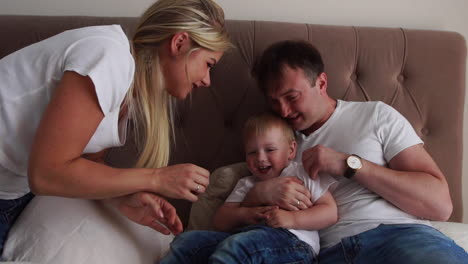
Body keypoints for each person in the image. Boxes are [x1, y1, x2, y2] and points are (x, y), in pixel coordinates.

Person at [0, 0, 231, 254]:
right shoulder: (107, 57)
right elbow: (46, 174)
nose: (207, 80)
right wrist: (156, 178)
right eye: (208, 64)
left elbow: (82, 164)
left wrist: (122, 198)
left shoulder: (128, 93)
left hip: (12, 192)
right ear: (179, 43)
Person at [244, 40, 468, 263]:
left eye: (292, 97)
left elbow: (440, 206)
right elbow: (244, 209)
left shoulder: (375, 116)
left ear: (321, 83)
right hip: (329, 252)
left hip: (401, 237)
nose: (283, 110)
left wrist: (350, 164)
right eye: (274, 102)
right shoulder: (272, 141)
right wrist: (261, 193)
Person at [159, 112, 338, 264]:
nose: (260, 158)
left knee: (236, 247)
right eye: (252, 152)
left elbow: (329, 212)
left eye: (270, 150)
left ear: (291, 150)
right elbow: (220, 221)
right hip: (242, 239)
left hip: (293, 243)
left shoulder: (301, 174)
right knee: (188, 241)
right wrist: (246, 214)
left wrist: (292, 219)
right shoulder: (247, 183)